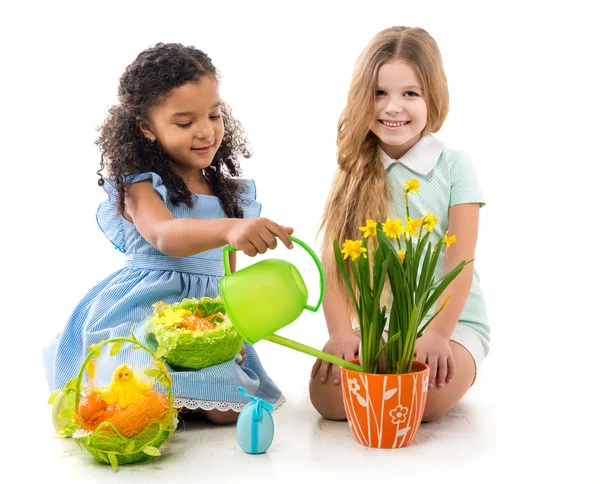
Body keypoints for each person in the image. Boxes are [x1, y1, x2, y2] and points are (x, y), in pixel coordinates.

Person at [43, 43, 294, 424]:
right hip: (146, 309)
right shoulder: (142, 185)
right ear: (147, 127)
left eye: (214, 115)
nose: (206, 131)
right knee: (134, 390)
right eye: (184, 122)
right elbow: (164, 233)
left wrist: (235, 331)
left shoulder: (227, 191)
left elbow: (228, 276)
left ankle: (186, 395)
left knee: (228, 411)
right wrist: (230, 228)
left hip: (201, 320)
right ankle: (166, 398)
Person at [309, 26, 489, 422]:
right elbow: (333, 261)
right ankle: (385, 372)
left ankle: (423, 363)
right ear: (362, 98)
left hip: (452, 324)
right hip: (384, 327)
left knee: (422, 403)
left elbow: (461, 261)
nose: (393, 108)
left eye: (410, 93)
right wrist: (341, 333)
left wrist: (438, 334)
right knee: (326, 399)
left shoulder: (454, 166)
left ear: (432, 97)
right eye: (379, 93)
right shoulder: (354, 169)